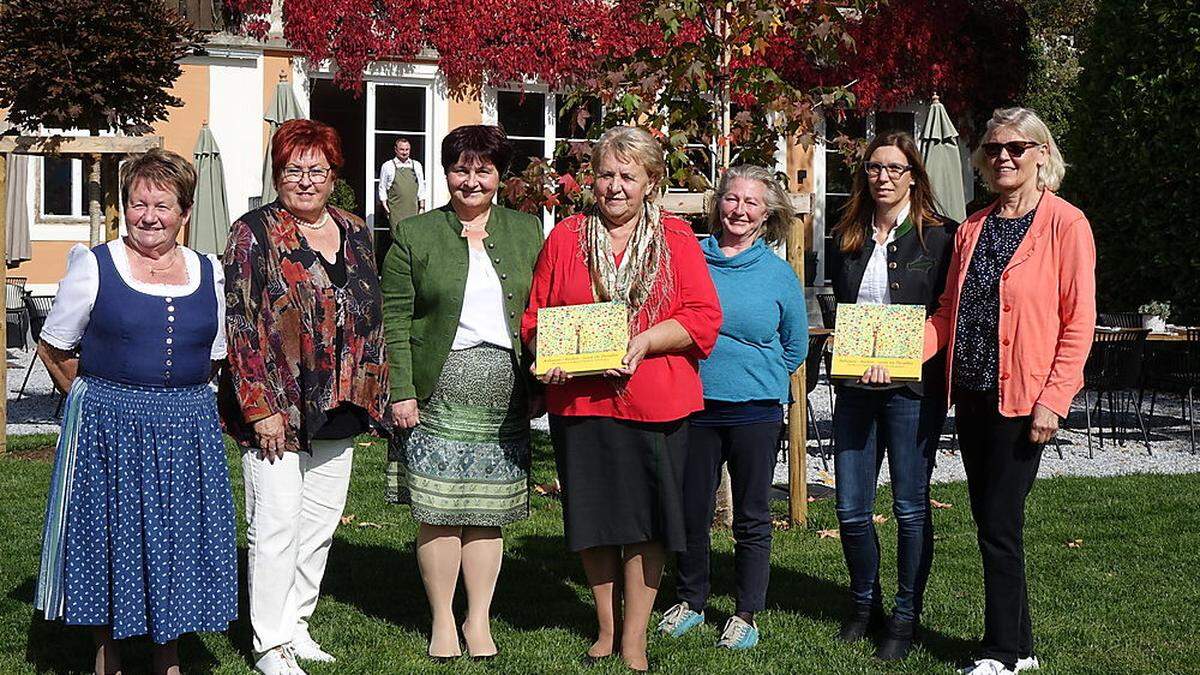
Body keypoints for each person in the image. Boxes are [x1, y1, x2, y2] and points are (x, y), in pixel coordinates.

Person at [522, 125, 722, 672]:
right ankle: (606, 628)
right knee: (594, 519)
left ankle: (635, 637)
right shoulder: (565, 236)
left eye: (627, 176)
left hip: (656, 402)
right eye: (606, 175)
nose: (614, 187)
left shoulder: (677, 238)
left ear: (650, 182)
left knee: (649, 524)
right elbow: (537, 316)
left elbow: (703, 317)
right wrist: (546, 353)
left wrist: (646, 340)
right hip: (582, 404)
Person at [34, 148, 236, 675]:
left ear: (185, 212)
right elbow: (54, 345)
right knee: (107, 537)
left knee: (177, 538)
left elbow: (214, 356)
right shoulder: (96, 264)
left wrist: (182, 406)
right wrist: (89, 401)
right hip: (108, 427)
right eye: (137, 203)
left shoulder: (209, 272)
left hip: (186, 427)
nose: (148, 216)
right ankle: (109, 653)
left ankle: (168, 652)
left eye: (162, 205)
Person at [920, 107, 1093, 675]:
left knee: (998, 522)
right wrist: (892, 353)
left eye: (1018, 147)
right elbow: (948, 313)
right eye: (994, 148)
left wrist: (1053, 399)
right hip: (970, 393)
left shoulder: (1066, 224)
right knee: (992, 520)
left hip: (1022, 399)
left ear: (1043, 154)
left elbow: (1077, 321)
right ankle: (1023, 648)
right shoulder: (974, 226)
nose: (1004, 157)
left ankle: (998, 653)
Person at [221, 119, 390, 675]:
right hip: (278, 405)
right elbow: (242, 323)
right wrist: (259, 406)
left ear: (334, 174)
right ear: (277, 175)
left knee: (317, 527)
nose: (305, 180)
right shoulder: (254, 232)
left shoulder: (356, 228)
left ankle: (297, 623)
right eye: (293, 170)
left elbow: (370, 312)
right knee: (274, 526)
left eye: (317, 169)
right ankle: (268, 642)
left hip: (340, 400)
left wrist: (374, 388)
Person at [380, 124, 543, 660]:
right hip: (436, 394)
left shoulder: (526, 230)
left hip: (505, 394)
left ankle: (479, 620)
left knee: (485, 512)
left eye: (483, 170)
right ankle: (443, 620)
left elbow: (546, 307)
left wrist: (543, 375)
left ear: (500, 176)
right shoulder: (415, 234)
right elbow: (394, 317)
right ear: (445, 173)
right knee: (440, 510)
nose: (471, 180)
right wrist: (400, 389)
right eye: (460, 169)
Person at [657, 165, 808, 650]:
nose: (739, 210)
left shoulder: (778, 274)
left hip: (756, 409)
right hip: (694, 403)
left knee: (752, 513)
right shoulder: (687, 260)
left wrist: (754, 372)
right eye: (732, 199)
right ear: (717, 203)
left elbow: (795, 345)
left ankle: (746, 610)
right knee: (690, 509)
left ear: (767, 214)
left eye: (752, 203)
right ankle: (692, 600)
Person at [826, 131, 956, 660]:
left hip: (912, 390)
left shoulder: (940, 238)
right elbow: (840, 301)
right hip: (855, 386)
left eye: (895, 169)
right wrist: (839, 335)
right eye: (875, 168)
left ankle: (905, 615)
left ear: (913, 177)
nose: (883, 177)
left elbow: (944, 312)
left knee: (908, 507)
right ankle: (864, 605)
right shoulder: (846, 234)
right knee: (851, 509)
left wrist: (909, 356)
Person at [378, 137, 426, 232]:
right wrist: (386, 208)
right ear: (396, 150)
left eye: (407, 149)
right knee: (397, 236)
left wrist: (422, 207)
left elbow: (421, 187)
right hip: (395, 210)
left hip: (413, 209)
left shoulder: (416, 165)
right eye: (402, 149)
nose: (404, 152)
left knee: (413, 235)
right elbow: (382, 188)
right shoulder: (388, 166)